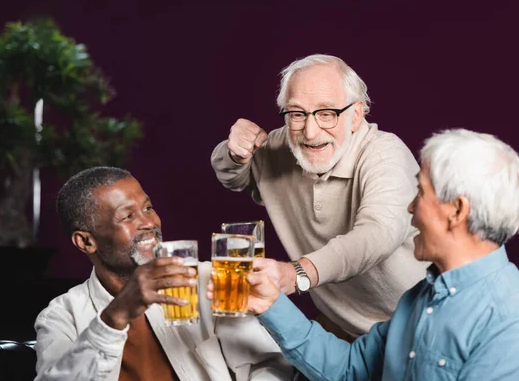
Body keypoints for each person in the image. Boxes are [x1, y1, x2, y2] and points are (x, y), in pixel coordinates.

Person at [227, 129, 519, 380]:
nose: (410, 207)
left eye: (420, 193)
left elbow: (376, 233)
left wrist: (295, 274)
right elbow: (349, 369)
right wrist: (270, 304)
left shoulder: (509, 319)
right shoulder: (419, 298)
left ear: (456, 210)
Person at [210, 53, 429, 338]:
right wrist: (234, 150)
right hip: (341, 331)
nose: (311, 133)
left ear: (356, 115)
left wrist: (297, 274)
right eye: (297, 113)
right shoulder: (284, 144)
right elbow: (233, 176)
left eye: (327, 113)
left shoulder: (385, 154)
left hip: (419, 334)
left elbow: (377, 234)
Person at [34, 166, 292, 381]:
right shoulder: (61, 316)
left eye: (148, 208)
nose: (149, 223)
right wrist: (118, 313)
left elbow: (267, 365)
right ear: (86, 242)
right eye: (127, 216)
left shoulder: (208, 281)